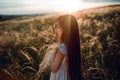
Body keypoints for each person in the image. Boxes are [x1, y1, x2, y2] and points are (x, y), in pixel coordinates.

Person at [50, 14, 82, 80]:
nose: (55, 30)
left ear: (66, 29)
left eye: (58, 27)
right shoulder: (73, 46)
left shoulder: (62, 49)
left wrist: (52, 57)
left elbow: (53, 69)